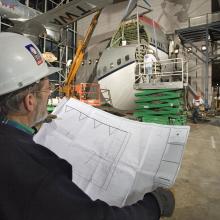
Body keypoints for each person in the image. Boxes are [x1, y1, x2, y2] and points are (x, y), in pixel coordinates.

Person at [0, 33, 175, 220]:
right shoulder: (39, 172)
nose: (50, 91)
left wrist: (32, 125)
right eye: (46, 88)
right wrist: (155, 204)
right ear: (29, 101)